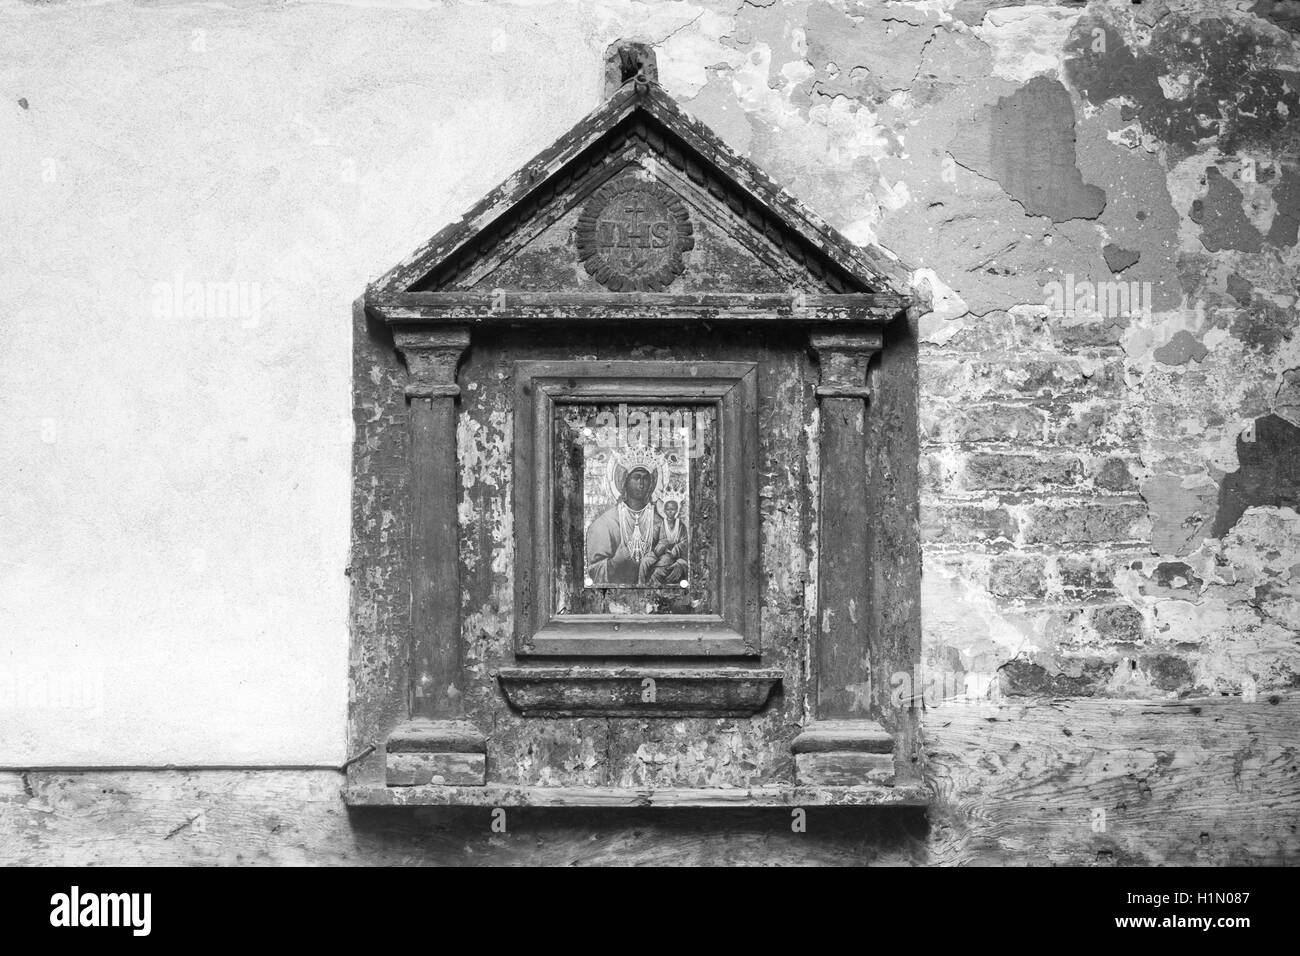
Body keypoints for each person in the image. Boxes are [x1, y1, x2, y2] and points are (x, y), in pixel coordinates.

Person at [585, 465, 662, 586]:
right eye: (636, 478)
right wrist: (615, 562)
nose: (641, 484)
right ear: (624, 482)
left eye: (645, 478)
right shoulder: (605, 523)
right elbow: (594, 571)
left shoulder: (660, 522)